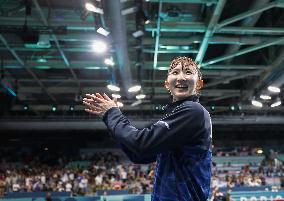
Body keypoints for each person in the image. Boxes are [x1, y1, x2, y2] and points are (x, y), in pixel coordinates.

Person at [83, 56, 212, 201]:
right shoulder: (179, 114)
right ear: (166, 84)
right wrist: (110, 120)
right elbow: (139, 155)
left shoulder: (193, 111)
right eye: (175, 72)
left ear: (199, 84)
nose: (181, 77)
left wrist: (112, 114)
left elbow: (141, 144)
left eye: (188, 72)